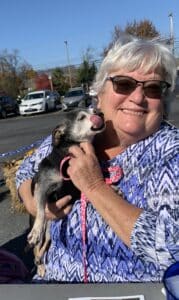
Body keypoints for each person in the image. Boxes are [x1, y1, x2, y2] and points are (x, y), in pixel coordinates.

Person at [16, 36, 179, 283]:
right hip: (52, 285)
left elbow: (172, 250)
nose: (138, 97)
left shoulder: (171, 152)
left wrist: (95, 187)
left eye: (153, 88)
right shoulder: (75, 134)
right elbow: (26, 170)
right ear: (99, 93)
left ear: (164, 102)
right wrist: (32, 202)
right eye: (123, 84)